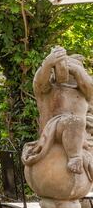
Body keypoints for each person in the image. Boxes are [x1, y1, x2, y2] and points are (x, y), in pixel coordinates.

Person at [23, 47, 93, 179]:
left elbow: (89, 87)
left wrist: (77, 70)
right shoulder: (48, 90)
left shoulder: (85, 93)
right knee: (74, 122)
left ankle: (77, 155)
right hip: (53, 129)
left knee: (76, 122)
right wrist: (48, 63)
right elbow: (39, 83)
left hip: (79, 136)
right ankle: (75, 157)